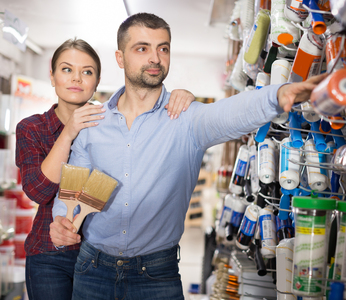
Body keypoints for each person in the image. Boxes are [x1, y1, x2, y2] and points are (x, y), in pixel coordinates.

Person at [50, 13, 326, 300]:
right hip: (92, 269)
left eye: (163, 48)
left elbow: (231, 112)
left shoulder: (186, 119)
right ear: (120, 58)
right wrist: (61, 222)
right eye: (142, 48)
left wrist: (279, 95)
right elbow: (72, 190)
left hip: (155, 275)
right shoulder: (92, 122)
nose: (155, 58)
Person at [15, 37, 195, 300]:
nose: (76, 79)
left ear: (96, 82)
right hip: (49, 256)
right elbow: (39, 192)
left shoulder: (112, 123)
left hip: (100, 261)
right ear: (52, 77)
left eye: (86, 72)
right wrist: (68, 134)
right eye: (66, 69)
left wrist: (183, 98)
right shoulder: (32, 128)